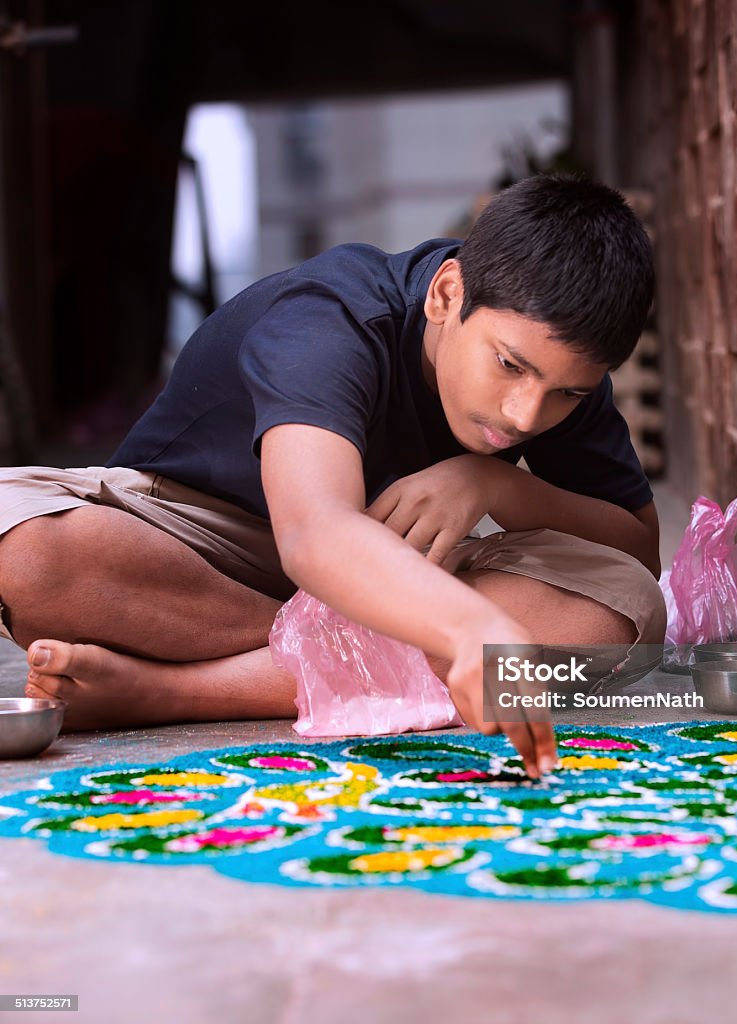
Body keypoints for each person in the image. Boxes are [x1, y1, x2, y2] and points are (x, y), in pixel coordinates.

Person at [0, 174, 666, 779]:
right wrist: (463, 632)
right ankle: (348, 658)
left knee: (619, 609)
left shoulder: (559, 369)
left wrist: (495, 485)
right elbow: (315, 530)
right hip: (197, 545)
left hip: (386, 569)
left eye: (566, 394)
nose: (525, 414)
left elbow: (631, 549)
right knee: (29, 557)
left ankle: (170, 692)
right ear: (446, 293)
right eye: (508, 366)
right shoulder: (328, 319)